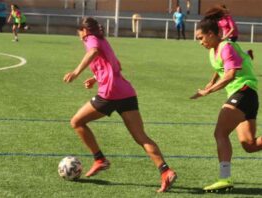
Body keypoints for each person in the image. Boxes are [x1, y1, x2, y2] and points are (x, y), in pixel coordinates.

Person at [63, 17, 177, 193]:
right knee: (141, 137)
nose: (79, 36)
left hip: (110, 93)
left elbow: (93, 51)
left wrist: (76, 72)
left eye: (79, 32)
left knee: (76, 122)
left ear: (84, 31)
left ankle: (99, 159)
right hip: (126, 91)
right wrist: (95, 78)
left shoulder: (91, 39)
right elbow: (117, 65)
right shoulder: (104, 41)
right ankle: (165, 171)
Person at [191, 18, 262, 192]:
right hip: (246, 95)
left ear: (211, 34)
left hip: (243, 92)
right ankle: (225, 178)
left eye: (201, 38)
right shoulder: (214, 50)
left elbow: (229, 74)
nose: (200, 42)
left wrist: (208, 91)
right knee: (250, 145)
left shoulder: (226, 46)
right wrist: (210, 83)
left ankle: (225, 178)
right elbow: (219, 68)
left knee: (220, 133)